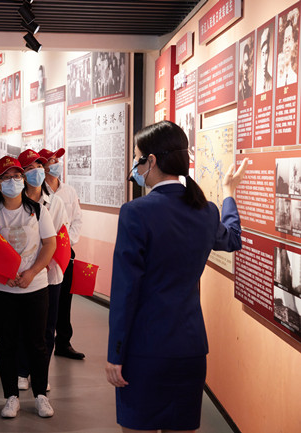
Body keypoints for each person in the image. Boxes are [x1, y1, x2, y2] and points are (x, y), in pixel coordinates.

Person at [105, 120, 247, 432]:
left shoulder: (135, 212)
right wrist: (229, 193)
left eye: (137, 158)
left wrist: (115, 353)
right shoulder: (206, 210)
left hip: (144, 350)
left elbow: (125, 291)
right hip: (190, 349)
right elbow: (233, 238)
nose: (135, 165)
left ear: (151, 161)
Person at [0, 155, 56, 419]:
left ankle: (41, 395)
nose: (13, 181)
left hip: (35, 287)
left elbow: (50, 244)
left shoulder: (38, 210)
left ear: (23, 180)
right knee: (6, 343)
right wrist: (4, 276)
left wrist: (32, 272)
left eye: (17, 176)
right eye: (6, 178)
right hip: (2, 290)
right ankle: (10, 396)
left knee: (37, 342)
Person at [16, 149, 68, 392]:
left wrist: (44, 260)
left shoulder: (55, 202)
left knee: (46, 327)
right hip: (22, 273)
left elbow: (59, 236)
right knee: (22, 326)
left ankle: (40, 373)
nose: (36, 171)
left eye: (39, 166)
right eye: (29, 168)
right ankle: (21, 370)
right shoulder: (14, 201)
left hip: (50, 272)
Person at [39, 147, 85, 360]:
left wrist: (68, 243)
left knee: (65, 297)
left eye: (58, 160)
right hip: (44, 252)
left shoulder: (69, 191)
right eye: (52, 161)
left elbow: (77, 219)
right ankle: (41, 341)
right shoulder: (38, 190)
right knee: (47, 298)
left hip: (66, 250)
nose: (57, 164)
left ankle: (64, 342)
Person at [277, 19, 298, 88]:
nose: (287, 46)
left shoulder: (295, 78)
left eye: (289, 40)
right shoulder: (278, 81)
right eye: (285, 41)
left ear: (293, 43)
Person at [257, 27, 273, 94]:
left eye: (266, 53)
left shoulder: (272, 82)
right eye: (262, 53)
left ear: (269, 53)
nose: (264, 60)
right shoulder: (256, 83)